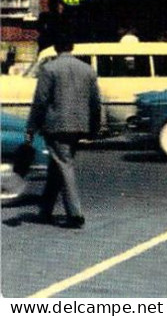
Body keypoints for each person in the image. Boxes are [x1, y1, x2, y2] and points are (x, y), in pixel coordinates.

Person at [23, 32, 101, 228]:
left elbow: (40, 102)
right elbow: (95, 103)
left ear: (56, 48)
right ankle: (45, 210)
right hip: (79, 125)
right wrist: (94, 127)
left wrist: (31, 127)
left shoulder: (49, 69)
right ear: (72, 47)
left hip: (56, 126)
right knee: (57, 166)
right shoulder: (87, 70)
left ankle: (75, 214)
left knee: (63, 165)